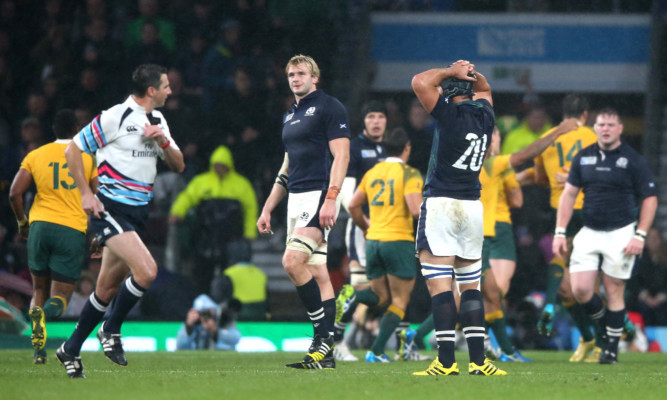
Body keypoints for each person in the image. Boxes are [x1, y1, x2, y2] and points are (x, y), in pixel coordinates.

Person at [56, 64, 185, 378]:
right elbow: (73, 150)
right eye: (166, 86)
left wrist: (163, 141)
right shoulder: (116, 116)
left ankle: (70, 349)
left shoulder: (157, 120)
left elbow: (179, 165)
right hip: (110, 209)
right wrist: (87, 194)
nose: (170, 91)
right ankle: (110, 329)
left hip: (138, 214)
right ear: (151, 90)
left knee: (106, 289)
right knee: (147, 271)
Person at [409, 60, 505, 376]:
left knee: (441, 289)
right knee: (470, 288)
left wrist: (451, 70)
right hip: (472, 207)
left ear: (447, 95)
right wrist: (472, 72)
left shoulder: (448, 117)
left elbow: (420, 81)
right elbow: (486, 88)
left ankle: (447, 362)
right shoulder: (486, 117)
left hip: (442, 205)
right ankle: (479, 362)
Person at [256, 54, 350, 369]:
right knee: (319, 272)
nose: (295, 78)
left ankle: (322, 338)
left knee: (291, 262)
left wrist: (331, 198)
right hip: (295, 199)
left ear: (315, 78)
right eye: (291, 74)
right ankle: (328, 355)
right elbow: (286, 168)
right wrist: (268, 208)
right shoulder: (289, 116)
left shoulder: (329, 107)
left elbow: (342, 156)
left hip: (319, 194)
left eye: (301, 73)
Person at [553, 108, 658, 364]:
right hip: (589, 231)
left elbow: (650, 198)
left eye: (611, 124)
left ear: (620, 128)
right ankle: (607, 330)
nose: (606, 128)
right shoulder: (584, 157)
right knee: (580, 290)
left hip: (621, 232)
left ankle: (610, 348)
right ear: (595, 127)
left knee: (613, 289)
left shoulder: (632, 159)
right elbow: (568, 195)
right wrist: (559, 232)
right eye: (601, 124)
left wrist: (640, 235)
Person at [477, 121, 579, 363]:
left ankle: (493, 344)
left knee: (482, 293)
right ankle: (471, 338)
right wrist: (556, 131)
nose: (498, 141)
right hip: (489, 232)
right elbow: (521, 180)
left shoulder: (463, 164)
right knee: (492, 293)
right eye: (497, 137)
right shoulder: (495, 163)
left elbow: (527, 178)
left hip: (462, 232)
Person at [8, 109, 98, 364]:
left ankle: (38, 349)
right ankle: (43, 315)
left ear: (53, 131)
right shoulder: (87, 158)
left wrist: (22, 223)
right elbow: (97, 198)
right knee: (60, 297)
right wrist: (98, 233)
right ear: (78, 130)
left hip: (39, 228)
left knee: (39, 288)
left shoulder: (36, 155)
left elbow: (15, 193)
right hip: (70, 230)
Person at [336, 127, 423, 363]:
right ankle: (375, 351)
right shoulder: (410, 174)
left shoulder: (373, 172)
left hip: (373, 241)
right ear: (407, 149)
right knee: (400, 301)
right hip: (398, 241)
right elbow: (416, 210)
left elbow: (353, 205)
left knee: (380, 296)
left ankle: (353, 294)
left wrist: (365, 228)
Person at [532, 93, 602, 361]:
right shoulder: (594, 136)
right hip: (588, 210)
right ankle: (590, 338)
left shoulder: (548, 138)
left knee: (575, 280)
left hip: (563, 210)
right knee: (574, 285)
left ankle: (601, 342)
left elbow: (540, 177)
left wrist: (558, 179)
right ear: (584, 114)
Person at [333, 100, 387, 361]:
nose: (376, 121)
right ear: (364, 121)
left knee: (395, 286)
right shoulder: (355, 148)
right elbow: (347, 191)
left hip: (389, 229)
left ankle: (399, 344)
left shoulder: (390, 149)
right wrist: (364, 222)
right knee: (358, 285)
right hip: (362, 228)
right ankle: (337, 340)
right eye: (371, 117)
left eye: (380, 117)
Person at [169, 145, 258, 294]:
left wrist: (250, 234)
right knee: (203, 272)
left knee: (230, 274)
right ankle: (202, 301)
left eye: (223, 165)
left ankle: (226, 303)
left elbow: (251, 209)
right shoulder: (201, 182)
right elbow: (187, 197)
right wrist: (177, 212)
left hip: (231, 238)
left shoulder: (242, 185)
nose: (220, 168)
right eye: (217, 165)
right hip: (206, 237)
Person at [176, 294, 242, 350]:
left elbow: (235, 339)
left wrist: (216, 332)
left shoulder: (221, 319)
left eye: (208, 312)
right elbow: (180, 347)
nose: (205, 316)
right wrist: (188, 327)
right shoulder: (193, 323)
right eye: (202, 312)